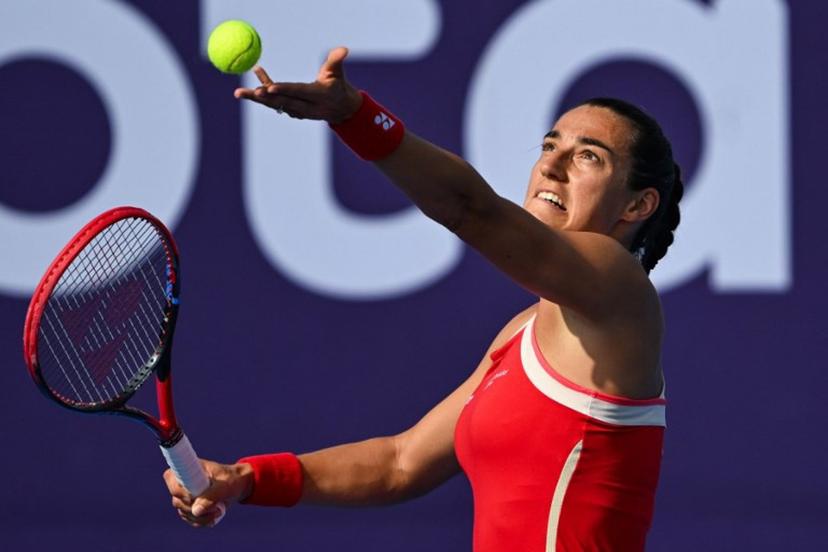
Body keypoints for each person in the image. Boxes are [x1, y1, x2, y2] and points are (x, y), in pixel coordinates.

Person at [164, 47, 682, 551]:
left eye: (588, 156)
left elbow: (471, 210)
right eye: (550, 146)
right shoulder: (522, 334)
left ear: (639, 204)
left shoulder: (620, 290)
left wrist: (355, 116)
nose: (552, 166)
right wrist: (247, 477)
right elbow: (401, 462)